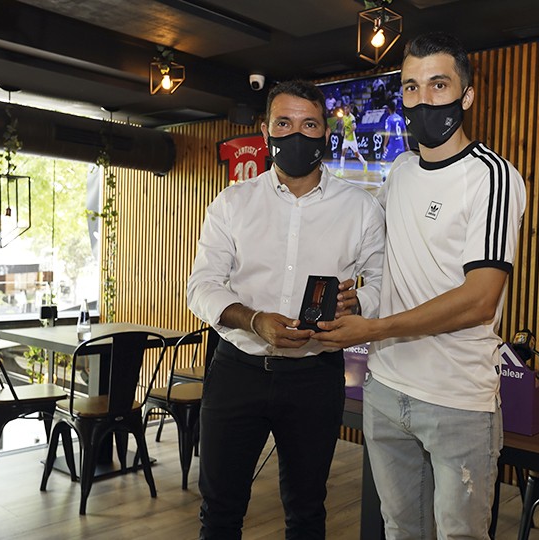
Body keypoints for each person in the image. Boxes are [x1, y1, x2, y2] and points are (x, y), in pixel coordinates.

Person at [314, 32, 527, 539]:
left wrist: (375, 326)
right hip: (386, 389)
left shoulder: (493, 178)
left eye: (438, 85)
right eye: (411, 88)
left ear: (466, 96)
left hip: (457, 399)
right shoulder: (402, 171)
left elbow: (480, 299)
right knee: (398, 531)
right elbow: (375, 254)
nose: (423, 100)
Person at [187, 79, 385, 540]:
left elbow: (380, 284)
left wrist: (359, 302)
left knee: (307, 510)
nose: (296, 134)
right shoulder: (232, 203)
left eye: (309, 124)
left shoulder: (360, 208)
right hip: (237, 371)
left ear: (325, 133)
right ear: (266, 131)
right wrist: (254, 321)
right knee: (219, 511)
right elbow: (201, 286)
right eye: (284, 123)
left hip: (315, 377)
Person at [338, 103, 368, 175]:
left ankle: (364, 163)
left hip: (351, 139)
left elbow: (354, 127)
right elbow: (344, 125)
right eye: (344, 109)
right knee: (343, 153)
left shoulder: (352, 118)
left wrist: (348, 134)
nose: (345, 110)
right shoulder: (344, 117)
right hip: (346, 139)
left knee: (356, 154)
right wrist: (342, 130)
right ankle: (341, 171)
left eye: (347, 109)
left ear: (349, 109)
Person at [380, 101, 406, 179]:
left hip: (393, 144)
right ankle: (401, 178)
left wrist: (384, 145)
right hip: (401, 144)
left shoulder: (389, 119)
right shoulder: (400, 118)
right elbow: (404, 131)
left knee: (383, 161)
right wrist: (406, 144)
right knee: (398, 162)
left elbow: (387, 133)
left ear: (388, 109)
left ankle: (383, 179)